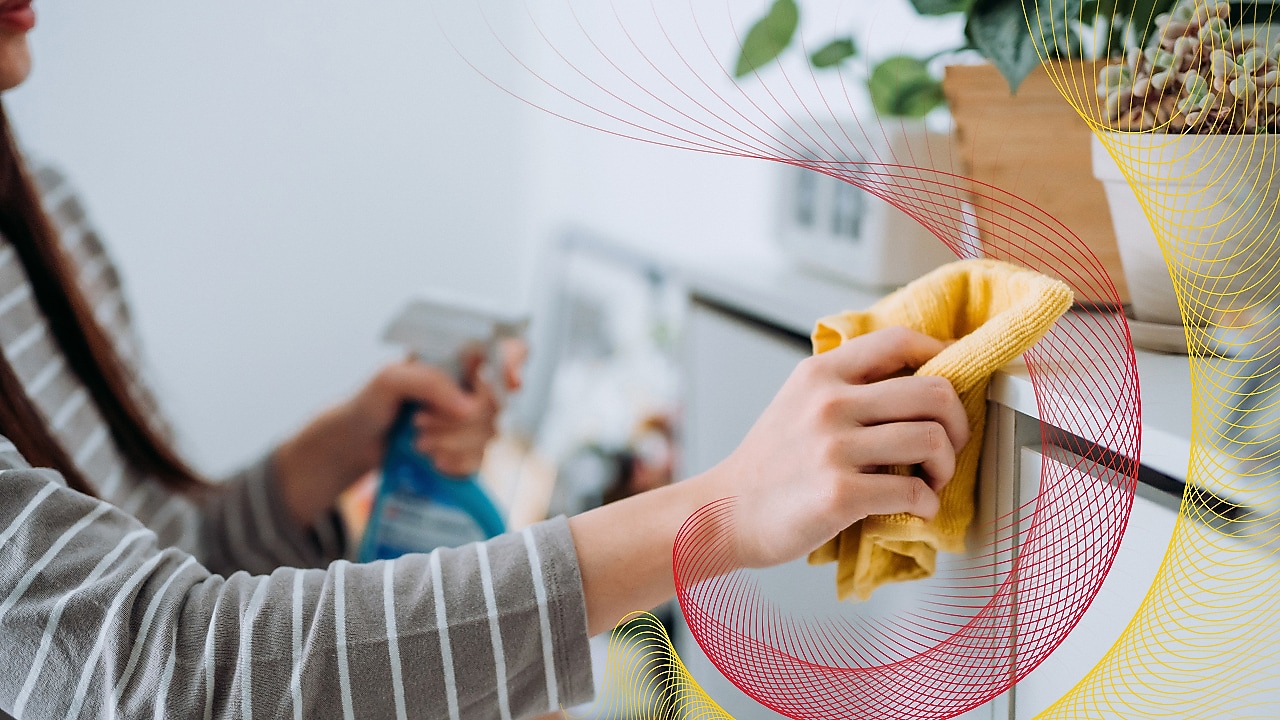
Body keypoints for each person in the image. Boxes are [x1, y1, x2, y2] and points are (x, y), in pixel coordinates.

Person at [0, 5, 969, 719]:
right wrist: (720, 513)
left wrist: (331, 454)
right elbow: (157, 670)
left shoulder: (38, 210)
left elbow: (155, 559)